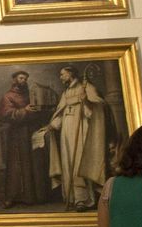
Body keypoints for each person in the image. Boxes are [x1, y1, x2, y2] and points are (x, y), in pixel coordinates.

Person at [41, 65, 112, 211]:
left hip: (82, 129)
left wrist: (86, 101)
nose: (61, 77)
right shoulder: (66, 92)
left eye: (62, 74)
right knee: (68, 161)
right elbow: (61, 112)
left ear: (71, 73)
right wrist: (52, 126)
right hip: (67, 131)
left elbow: (98, 108)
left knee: (79, 160)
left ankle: (83, 199)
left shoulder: (85, 87)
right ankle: (71, 197)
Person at [0, 71, 45, 207]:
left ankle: (31, 197)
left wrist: (37, 110)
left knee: (32, 163)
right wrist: (26, 110)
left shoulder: (29, 95)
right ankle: (12, 197)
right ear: (14, 79)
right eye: (21, 78)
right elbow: (6, 115)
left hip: (30, 133)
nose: (24, 80)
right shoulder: (7, 96)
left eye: (25, 78)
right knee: (16, 166)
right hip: (16, 136)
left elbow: (35, 111)